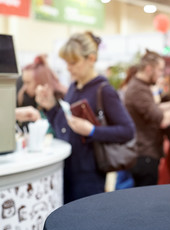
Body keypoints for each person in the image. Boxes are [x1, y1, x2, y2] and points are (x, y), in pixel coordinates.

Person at [36, 31, 135, 203]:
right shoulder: (74, 87)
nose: (68, 67)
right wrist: (50, 106)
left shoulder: (103, 90)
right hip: (68, 168)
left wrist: (93, 131)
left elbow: (127, 131)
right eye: (67, 62)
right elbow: (63, 125)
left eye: (73, 62)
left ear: (91, 59)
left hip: (89, 174)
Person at [124, 49, 170, 187]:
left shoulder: (141, 87)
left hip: (145, 154)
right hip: (144, 155)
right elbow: (163, 120)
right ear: (149, 69)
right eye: (160, 70)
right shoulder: (138, 90)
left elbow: (156, 108)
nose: (161, 74)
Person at [16, 55, 67, 131]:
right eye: (24, 82)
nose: (25, 88)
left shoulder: (62, 102)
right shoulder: (28, 98)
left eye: (28, 83)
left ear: (40, 82)